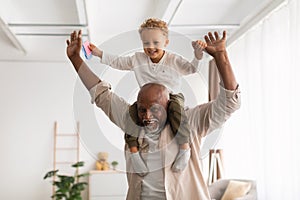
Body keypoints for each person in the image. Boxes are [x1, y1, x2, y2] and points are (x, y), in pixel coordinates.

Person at [66, 29, 241, 200]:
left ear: (168, 105)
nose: (147, 116)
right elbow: (101, 94)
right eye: (143, 109)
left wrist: (221, 57)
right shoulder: (131, 119)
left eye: (155, 109)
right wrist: (76, 59)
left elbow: (230, 102)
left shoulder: (191, 120)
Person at [88, 18, 207, 172]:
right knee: (131, 115)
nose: (150, 47)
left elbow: (192, 69)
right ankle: (134, 152)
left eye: (156, 43)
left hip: (171, 98)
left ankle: (184, 148)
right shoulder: (138, 59)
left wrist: (198, 55)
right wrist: (98, 53)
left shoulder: (173, 60)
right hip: (146, 101)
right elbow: (119, 62)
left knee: (177, 110)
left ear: (166, 42)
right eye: (146, 43)